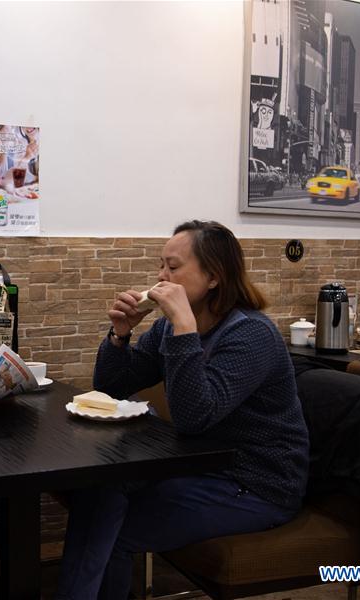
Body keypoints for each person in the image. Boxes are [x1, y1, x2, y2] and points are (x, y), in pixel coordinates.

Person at [55, 220, 309, 600]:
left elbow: (194, 417)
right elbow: (112, 387)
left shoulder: (251, 334)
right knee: (101, 492)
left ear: (213, 277)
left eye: (173, 267)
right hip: (198, 465)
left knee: (114, 531)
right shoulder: (169, 328)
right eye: (161, 266)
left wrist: (184, 329)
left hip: (256, 484)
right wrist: (120, 335)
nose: (161, 276)